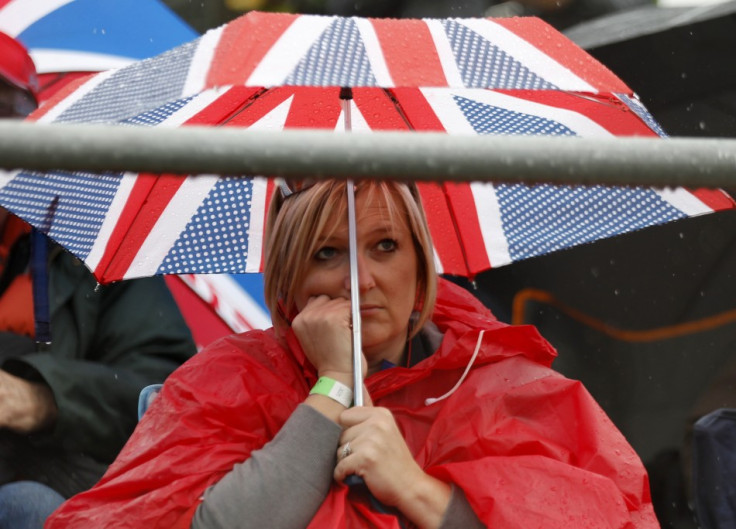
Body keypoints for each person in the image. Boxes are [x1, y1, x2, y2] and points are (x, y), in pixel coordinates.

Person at [46, 180, 658, 528]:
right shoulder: (222, 380)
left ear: (422, 268)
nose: (359, 279)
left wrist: (416, 489)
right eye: (325, 253)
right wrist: (333, 387)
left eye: (385, 245)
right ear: (286, 281)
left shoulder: (505, 386)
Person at [0, 32, 198, 529]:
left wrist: (42, 399)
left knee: (28, 506)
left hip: (46, 492)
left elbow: (167, 397)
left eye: (2, 113)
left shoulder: (89, 250)